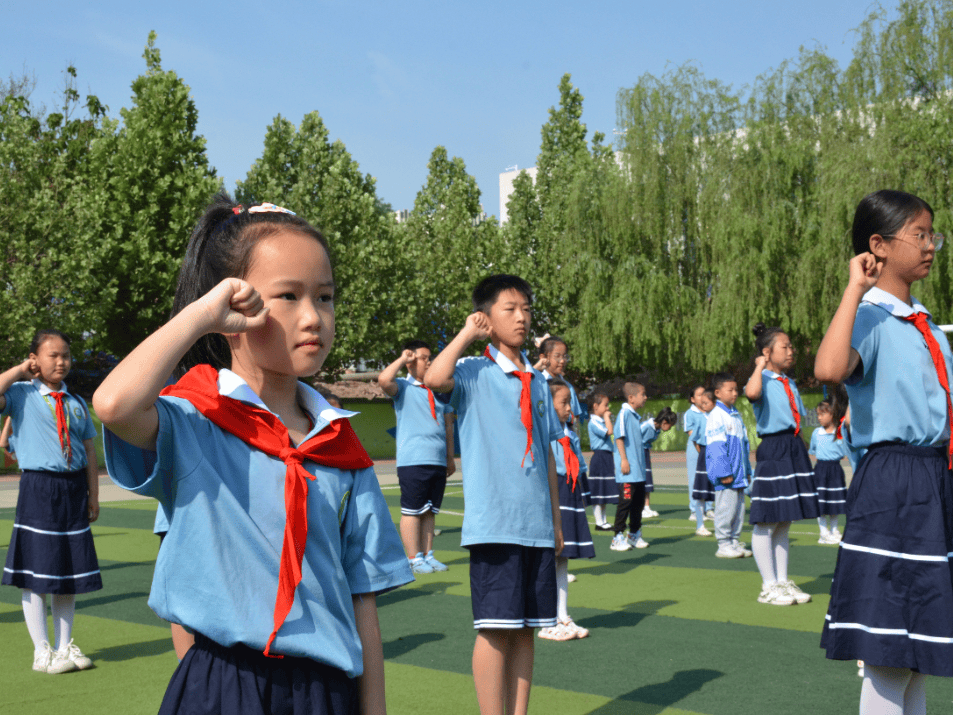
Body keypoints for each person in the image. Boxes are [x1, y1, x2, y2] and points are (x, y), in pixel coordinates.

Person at [93, 194, 413, 715]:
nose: (313, 317)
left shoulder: (341, 448)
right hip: (221, 683)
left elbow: (363, 603)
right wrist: (199, 316)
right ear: (234, 305)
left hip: (324, 690)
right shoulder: (194, 421)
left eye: (325, 297)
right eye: (287, 296)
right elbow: (112, 404)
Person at [815, 189, 953, 713]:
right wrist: (854, 289)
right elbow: (828, 371)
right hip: (894, 484)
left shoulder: (927, 324)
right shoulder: (869, 315)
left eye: (932, 235)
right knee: (889, 650)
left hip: (935, 480)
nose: (931, 246)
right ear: (879, 244)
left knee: (921, 654)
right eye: (920, 235)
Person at [426, 274, 562, 715]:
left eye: (525, 308)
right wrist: (467, 332)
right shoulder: (473, 372)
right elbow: (433, 377)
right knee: (495, 628)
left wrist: (556, 524)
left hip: (536, 524)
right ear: (487, 315)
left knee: (526, 630)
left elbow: (546, 454)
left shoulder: (539, 382)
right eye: (509, 308)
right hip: (495, 524)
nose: (521, 317)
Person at [0, 329, 100, 674]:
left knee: (67, 572)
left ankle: (64, 646)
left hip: (73, 491)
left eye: (66, 355)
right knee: (35, 573)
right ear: (35, 360)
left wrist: (93, 496)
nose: (61, 361)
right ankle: (41, 650)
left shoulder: (76, 403)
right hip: (39, 488)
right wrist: (18, 371)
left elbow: (88, 449)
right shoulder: (21, 395)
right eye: (53, 355)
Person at [744, 323, 818, 607]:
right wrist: (759, 366)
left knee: (784, 520)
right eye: (784, 347)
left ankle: (783, 581)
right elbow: (751, 394)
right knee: (767, 519)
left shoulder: (789, 382)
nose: (791, 351)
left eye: (791, 347)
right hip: (774, 448)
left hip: (793, 447)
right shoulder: (761, 379)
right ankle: (768, 586)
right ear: (767, 352)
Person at [378, 340, 456, 574]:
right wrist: (403, 359)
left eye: (430, 357)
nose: (429, 361)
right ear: (411, 362)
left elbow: (448, 425)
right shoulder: (402, 387)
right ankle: (413, 558)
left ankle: (428, 554)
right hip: (413, 460)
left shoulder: (440, 392)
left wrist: (450, 458)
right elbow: (384, 380)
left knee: (430, 511)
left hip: (437, 460)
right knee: (413, 510)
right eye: (424, 358)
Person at [538, 378, 594, 641]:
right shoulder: (543, 433)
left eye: (570, 401)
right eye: (564, 402)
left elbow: (579, 463)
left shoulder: (568, 432)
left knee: (563, 557)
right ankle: (545, 620)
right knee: (547, 559)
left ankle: (562, 615)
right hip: (554, 491)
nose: (569, 407)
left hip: (569, 491)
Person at [705, 374, 752, 559]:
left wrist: (747, 470)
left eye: (736, 390)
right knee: (726, 508)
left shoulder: (735, 415)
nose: (735, 393)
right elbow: (716, 447)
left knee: (738, 510)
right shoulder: (716, 416)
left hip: (739, 474)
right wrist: (723, 472)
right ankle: (723, 544)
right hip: (727, 475)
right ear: (717, 393)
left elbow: (744, 445)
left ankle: (734, 540)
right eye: (730, 390)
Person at [609, 382, 648, 552]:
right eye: (643, 394)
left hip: (638, 472)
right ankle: (617, 537)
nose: (645, 397)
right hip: (628, 471)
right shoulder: (624, 413)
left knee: (638, 504)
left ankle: (633, 534)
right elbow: (619, 437)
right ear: (631, 398)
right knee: (625, 503)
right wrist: (623, 460)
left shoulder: (635, 416)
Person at [809, 400, 848, 545]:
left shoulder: (840, 432)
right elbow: (813, 450)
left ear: (832, 415)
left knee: (835, 501)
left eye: (822, 414)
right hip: (820, 470)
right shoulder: (816, 433)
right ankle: (823, 533)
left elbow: (845, 450)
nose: (819, 417)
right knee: (821, 502)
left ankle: (835, 530)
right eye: (818, 414)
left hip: (836, 470)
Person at [534, 335, 588, 428]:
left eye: (564, 356)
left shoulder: (568, 387)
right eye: (557, 356)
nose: (562, 361)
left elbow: (575, 418)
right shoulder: (537, 383)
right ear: (543, 357)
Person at [586, 392, 616, 530]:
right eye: (605, 405)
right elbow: (609, 432)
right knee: (598, 491)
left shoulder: (600, 421)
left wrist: (605, 418)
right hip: (599, 457)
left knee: (604, 491)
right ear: (595, 406)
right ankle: (599, 522)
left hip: (607, 457)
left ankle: (604, 521)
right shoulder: (594, 422)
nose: (607, 408)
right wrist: (606, 417)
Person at [641, 407, 677, 519]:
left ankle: (646, 507)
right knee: (638, 482)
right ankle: (638, 508)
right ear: (665, 422)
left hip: (645, 452)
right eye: (670, 425)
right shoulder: (646, 426)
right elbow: (632, 438)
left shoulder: (657, 429)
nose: (670, 428)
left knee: (647, 481)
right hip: (637, 454)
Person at [690, 390, 716, 537]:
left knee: (722, 490)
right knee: (701, 493)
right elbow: (695, 439)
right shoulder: (700, 418)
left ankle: (722, 523)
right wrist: (703, 453)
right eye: (702, 403)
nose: (703, 405)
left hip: (718, 455)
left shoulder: (720, 417)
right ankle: (700, 525)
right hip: (705, 456)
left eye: (706, 403)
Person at [682, 385, 707, 524]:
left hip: (709, 449)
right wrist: (701, 449)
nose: (702, 396)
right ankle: (695, 510)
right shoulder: (689, 414)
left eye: (704, 393)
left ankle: (708, 509)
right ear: (692, 399)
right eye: (699, 394)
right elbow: (691, 434)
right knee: (695, 480)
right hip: (695, 449)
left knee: (710, 479)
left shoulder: (711, 411)